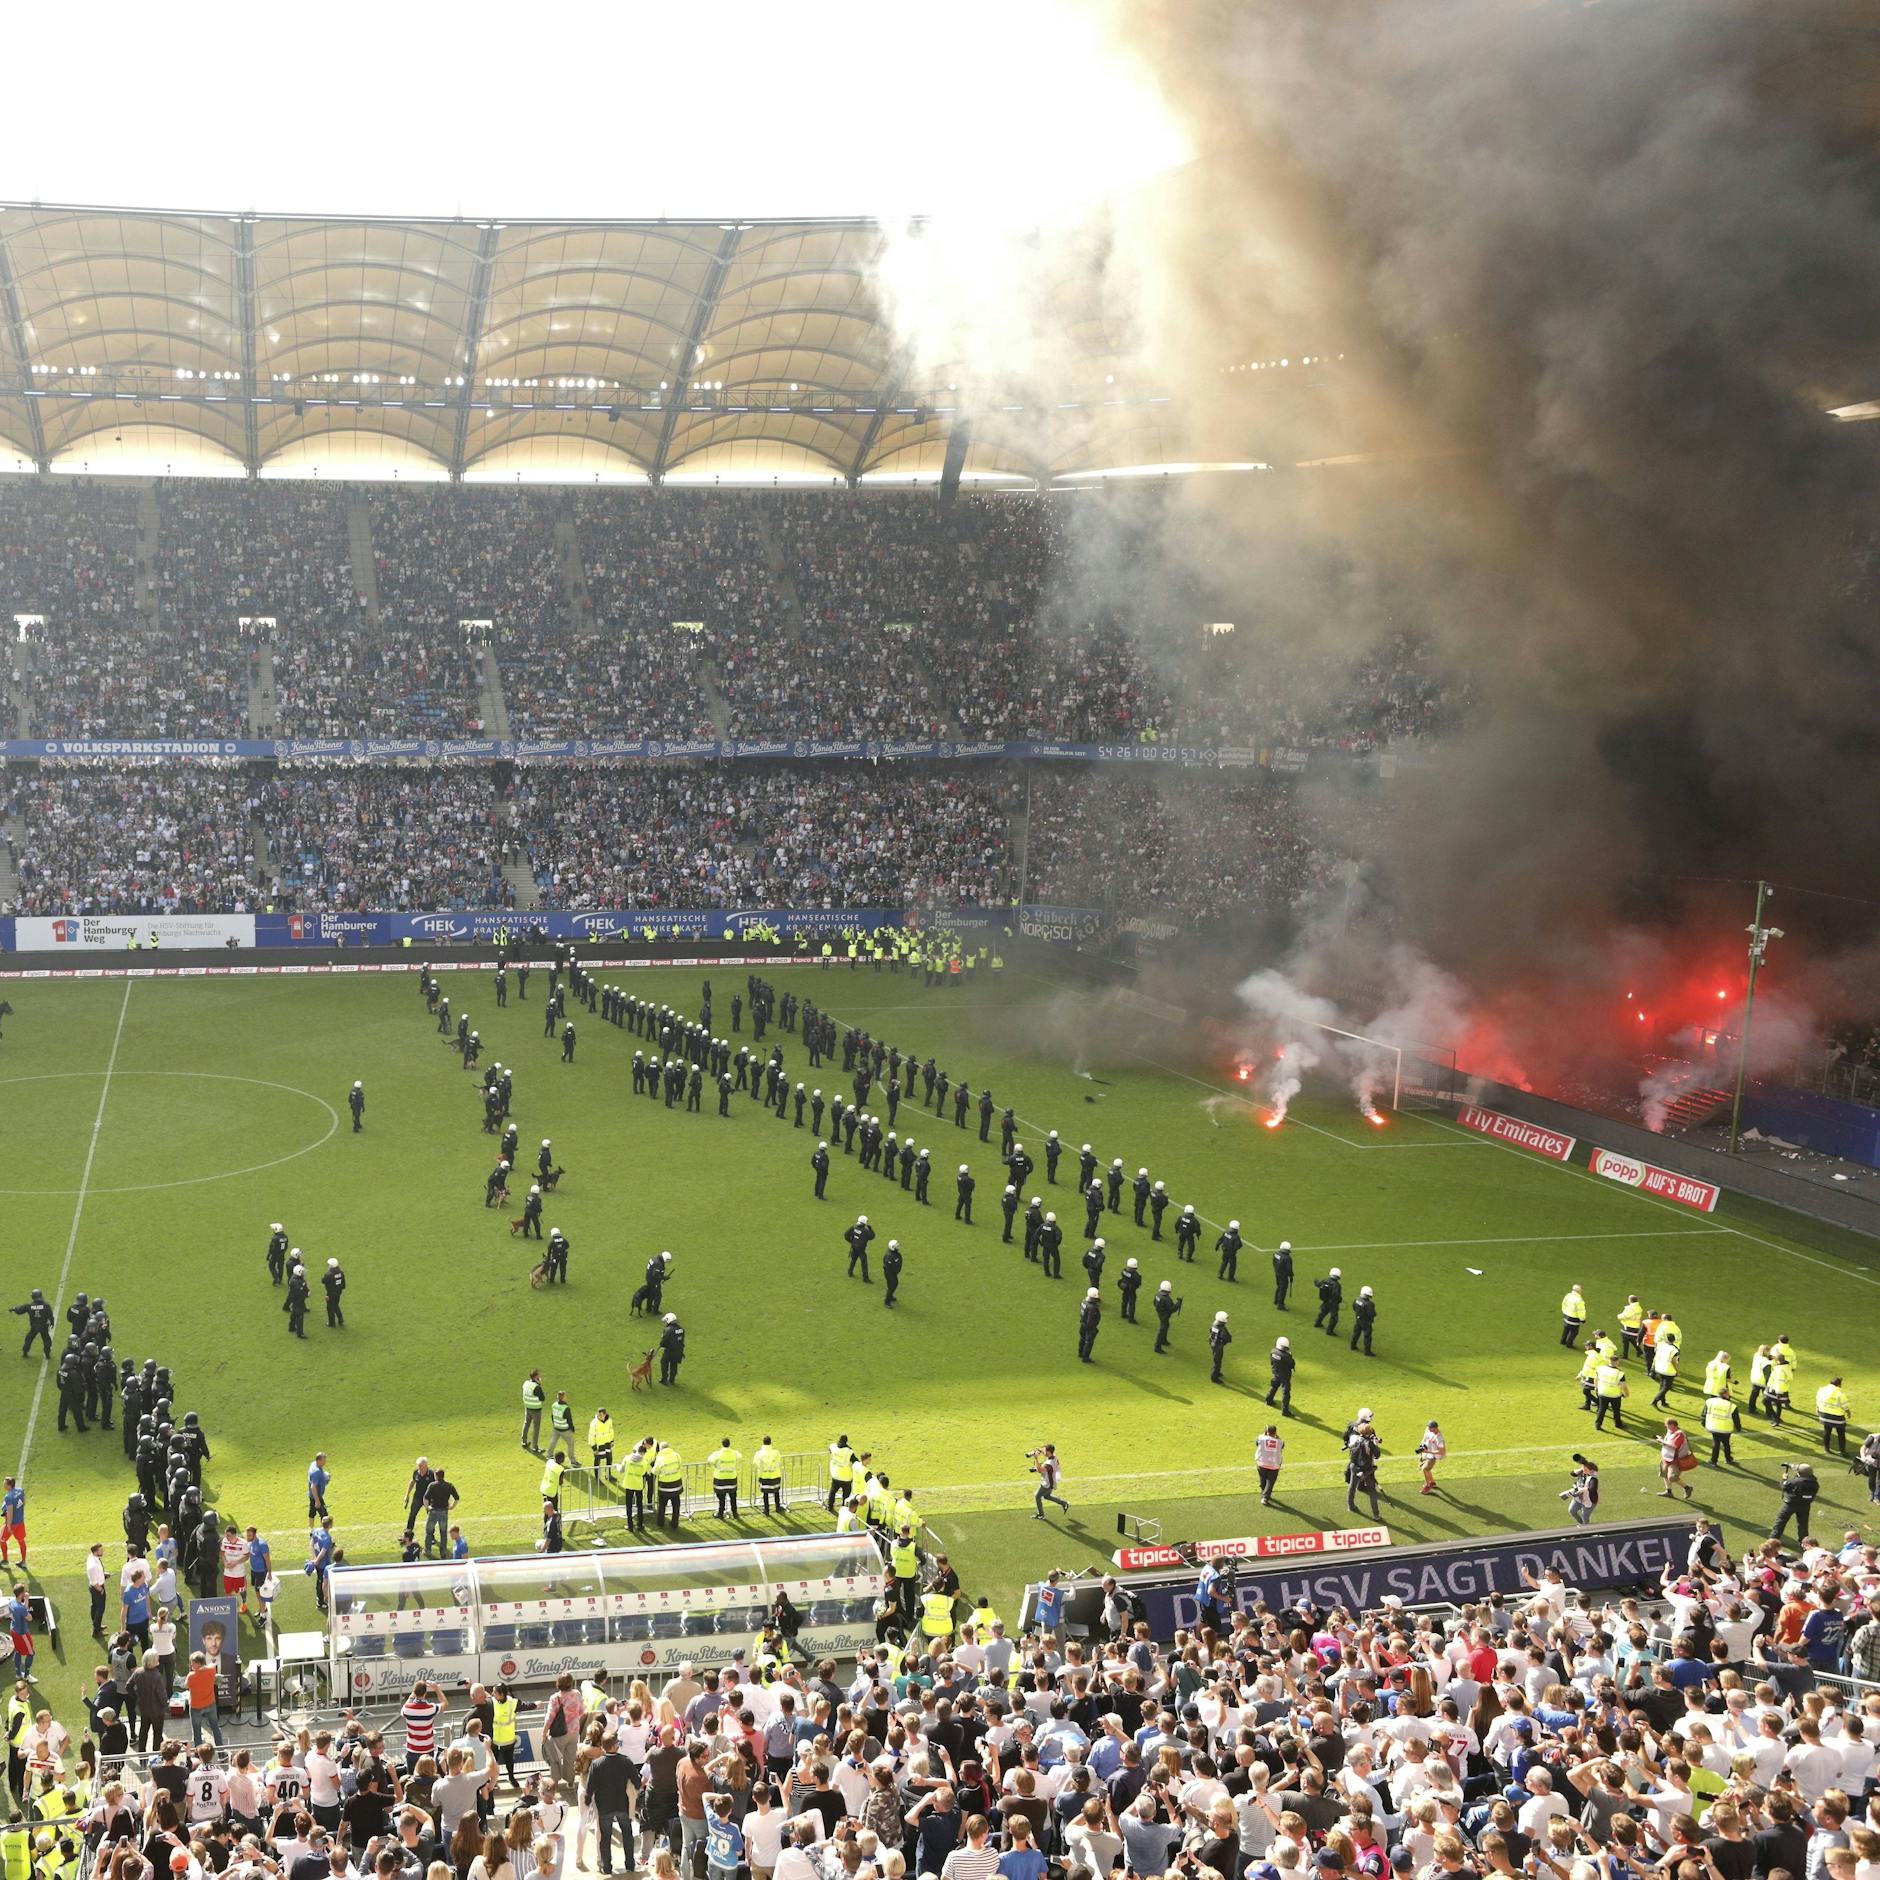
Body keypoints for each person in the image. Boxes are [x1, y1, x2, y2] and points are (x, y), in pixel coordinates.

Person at [1031, 1446, 1069, 1520]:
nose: (1043, 1452)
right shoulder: (1054, 1456)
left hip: (1047, 1484)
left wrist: (1036, 1458)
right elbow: (1046, 1453)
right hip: (1050, 1482)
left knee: (1037, 1496)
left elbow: (1039, 1470)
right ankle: (1064, 1503)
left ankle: (1041, 1514)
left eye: (1045, 1451)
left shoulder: (1049, 1463)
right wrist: (1040, 1450)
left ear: (1048, 1452)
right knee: (1047, 1496)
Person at [1255, 1424, 1284, 1505]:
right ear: (1275, 1432)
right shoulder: (1280, 1442)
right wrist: (1276, 1436)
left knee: (1262, 1479)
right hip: (1274, 1465)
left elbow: (1257, 1443)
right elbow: (1282, 1445)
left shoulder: (1261, 1438)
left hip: (1262, 1464)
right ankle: (1265, 1497)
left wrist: (1264, 1434)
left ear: (1266, 1432)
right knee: (1270, 1482)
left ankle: (1264, 1493)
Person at [1266, 1335, 1295, 1415]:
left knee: (1274, 1386)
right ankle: (1285, 1410)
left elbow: (1272, 1362)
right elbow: (1292, 1364)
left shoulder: (1273, 1351)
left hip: (1276, 1373)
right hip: (1285, 1376)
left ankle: (1268, 1399)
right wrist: (1290, 1356)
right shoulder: (1286, 1356)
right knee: (1286, 1393)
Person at [1416, 1420, 1446, 1494]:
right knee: (1425, 1467)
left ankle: (1428, 1485)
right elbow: (1425, 1436)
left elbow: (1441, 1452)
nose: (1428, 1428)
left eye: (1430, 1427)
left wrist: (1428, 1452)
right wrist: (1422, 1446)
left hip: (1433, 1455)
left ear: (1435, 1428)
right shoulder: (1429, 1430)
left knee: (1425, 1469)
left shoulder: (1439, 1439)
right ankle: (1432, 1482)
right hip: (1427, 1452)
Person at [521, 1372, 545, 1453]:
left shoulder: (526, 1383)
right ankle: (535, 1447)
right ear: (536, 1377)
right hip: (536, 1410)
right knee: (536, 1428)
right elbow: (542, 1398)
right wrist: (539, 1384)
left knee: (526, 1424)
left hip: (527, 1407)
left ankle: (524, 1441)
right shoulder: (536, 1387)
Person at [1350, 1285, 1378, 1355]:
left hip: (1358, 1319)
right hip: (1366, 1322)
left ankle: (1352, 1346)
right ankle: (1367, 1351)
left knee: (1356, 1333)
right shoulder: (1369, 1304)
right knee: (1367, 1336)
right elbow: (1371, 1314)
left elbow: (1354, 1307)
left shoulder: (1356, 1299)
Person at [1207, 1310, 1232, 1384]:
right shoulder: (1222, 1328)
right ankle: (1214, 1377)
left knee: (1216, 1360)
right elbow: (1227, 1338)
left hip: (1213, 1344)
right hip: (1218, 1347)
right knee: (1217, 1363)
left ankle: (1217, 1372)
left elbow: (1210, 1331)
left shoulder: (1214, 1324)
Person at [1077, 1288, 1101, 1364]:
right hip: (1089, 1327)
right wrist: (1093, 1329)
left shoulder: (1084, 1301)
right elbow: (1091, 1320)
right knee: (1089, 1342)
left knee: (1082, 1338)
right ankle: (1085, 1357)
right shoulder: (1093, 1308)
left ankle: (1080, 1352)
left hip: (1083, 1324)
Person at [1272, 1239, 1293, 1308]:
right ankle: (1280, 1304)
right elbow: (1289, 1269)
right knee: (1283, 1289)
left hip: (1277, 1273)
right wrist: (1291, 1276)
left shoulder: (1275, 1254)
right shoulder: (1287, 1258)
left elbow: (1273, 1263)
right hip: (1283, 1276)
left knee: (1279, 1287)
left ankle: (1276, 1300)